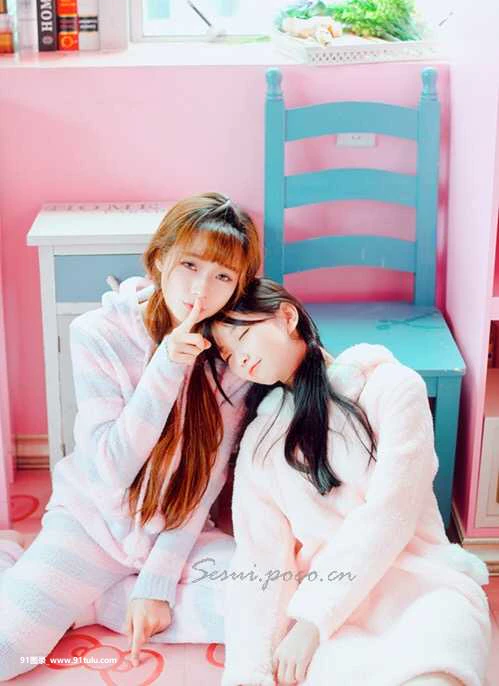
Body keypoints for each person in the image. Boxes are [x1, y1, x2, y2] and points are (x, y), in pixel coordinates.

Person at [0, 192, 260, 680]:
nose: (201, 289)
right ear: (159, 259)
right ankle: (20, 564)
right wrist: (166, 367)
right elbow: (111, 469)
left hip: (180, 536)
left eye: (223, 276)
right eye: (190, 265)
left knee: (264, 609)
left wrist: (157, 582)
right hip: (93, 526)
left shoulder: (232, 355)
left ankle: (97, 603)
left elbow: (207, 478)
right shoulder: (97, 333)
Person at [208, 278, 491, 686]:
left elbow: (390, 514)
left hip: (423, 586)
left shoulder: (391, 387)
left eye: (242, 336)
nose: (240, 358)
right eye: (228, 354)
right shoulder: (260, 443)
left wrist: (313, 619)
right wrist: (249, 671)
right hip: (337, 619)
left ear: (286, 316)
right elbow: (260, 558)